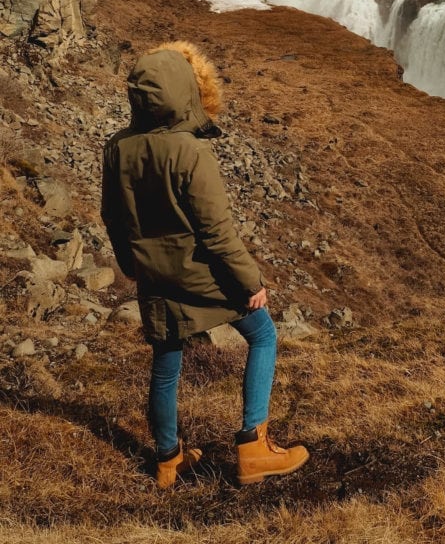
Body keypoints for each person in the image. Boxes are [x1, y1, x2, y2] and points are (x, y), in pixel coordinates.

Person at [101, 40, 309, 488]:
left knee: (166, 361)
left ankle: (167, 460)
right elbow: (217, 232)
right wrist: (250, 280)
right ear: (185, 91)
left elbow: (112, 217)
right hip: (202, 274)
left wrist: (130, 264)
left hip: (153, 276)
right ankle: (254, 448)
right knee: (264, 334)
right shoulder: (190, 151)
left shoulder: (117, 147)